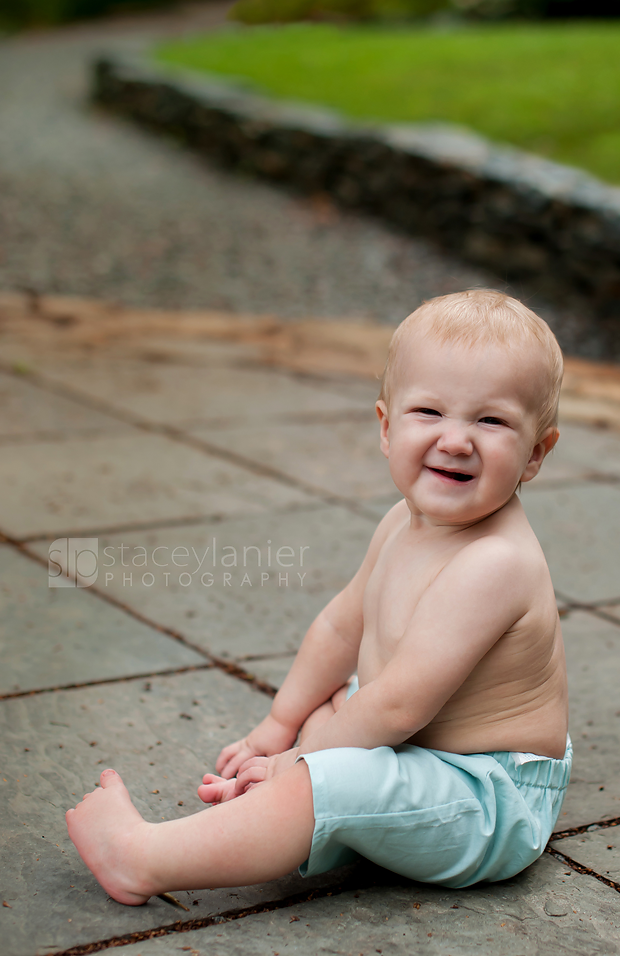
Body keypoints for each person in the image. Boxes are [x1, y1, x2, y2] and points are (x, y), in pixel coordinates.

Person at [66, 289, 571, 905]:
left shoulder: (493, 563)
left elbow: (397, 710)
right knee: (335, 702)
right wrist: (277, 729)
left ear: (535, 454)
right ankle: (292, 805)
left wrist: (297, 761)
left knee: (334, 768)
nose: (456, 440)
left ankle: (143, 859)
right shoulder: (401, 521)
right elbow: (340, 629)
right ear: (387, 427)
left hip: (484, 795)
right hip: (418, 738)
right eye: (430, 412)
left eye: (490, 421)